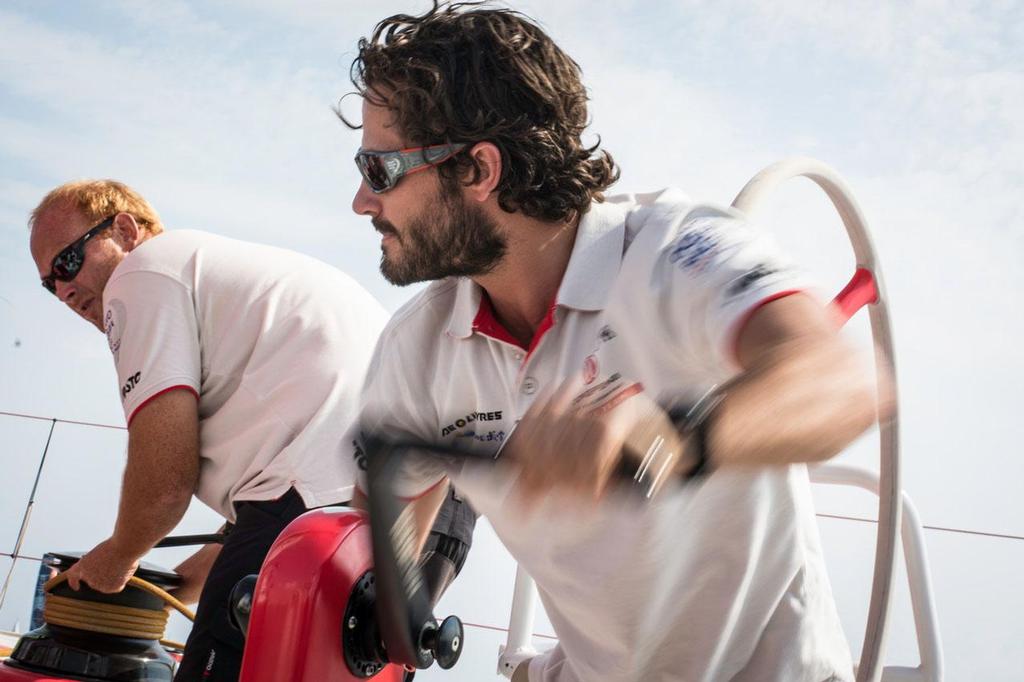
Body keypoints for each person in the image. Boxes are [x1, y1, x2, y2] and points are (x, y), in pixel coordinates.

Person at [344, 4, 892, 682]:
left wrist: (667, 439)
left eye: (380, 169)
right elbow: (378, 533)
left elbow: (839, 383)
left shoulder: (676, 251)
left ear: (478, 170)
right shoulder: (420, 345)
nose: (362, 202)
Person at [27, 180, 474, 681]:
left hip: (325, 515)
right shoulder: (224, 274)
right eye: (48, 285)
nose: (64, 291)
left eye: (67, 263)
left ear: (126, 231)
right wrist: (172, 587)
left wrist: (117, 557)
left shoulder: (142, 273)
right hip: (435, 514)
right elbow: (272, 495)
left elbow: (165, 484)